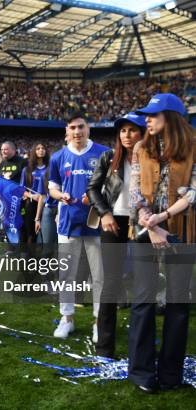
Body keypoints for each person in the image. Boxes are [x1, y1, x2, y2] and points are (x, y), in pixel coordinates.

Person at [128, 93, 195, 393]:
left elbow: (193, 193)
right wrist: (150, 221)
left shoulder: (194, 146)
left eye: (153, 115)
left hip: (182, 230)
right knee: (143, 301)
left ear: (171, 117)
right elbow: (133, 191)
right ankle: (142, 372)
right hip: (146, 231)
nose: (147, 120)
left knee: (178, 304)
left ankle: (171, 374)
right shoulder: (141, 147)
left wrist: (163, 217)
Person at [86, 112, 145, 358]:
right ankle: (104, 348)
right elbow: (92, 188)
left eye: (132, 130)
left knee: (143, 284)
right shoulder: (109, 157)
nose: (127, 135)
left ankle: (139, 348)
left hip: (142, 222)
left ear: (143, 132)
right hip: (113, 223)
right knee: (111, 283)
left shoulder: (151, 159)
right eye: (123, 130)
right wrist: (105, 213)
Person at [48, 111, 109, 340]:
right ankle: (67, 318)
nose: (77, 132)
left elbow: (113, 185)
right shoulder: (58, 157)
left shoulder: (104, 153)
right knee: (66, 273)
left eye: (81, 127)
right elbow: (52, 188)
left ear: (88, 128)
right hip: (68, 222)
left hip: (97, 221)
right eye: (72, 127)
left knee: (99, 275)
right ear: (66, 131)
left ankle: (98, 321)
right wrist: (60, 195)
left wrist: (96, 196)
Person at [20, 143, 48, 244]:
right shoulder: (27, 170)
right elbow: (22, 189)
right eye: (38, 148)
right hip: (31, 204)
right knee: (31, 233)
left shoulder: (50, 168)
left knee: (46, 234)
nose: (41, 150)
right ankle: (30, 257)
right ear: (33, 152)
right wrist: (32, 195)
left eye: (43, 148)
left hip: (47, 204)